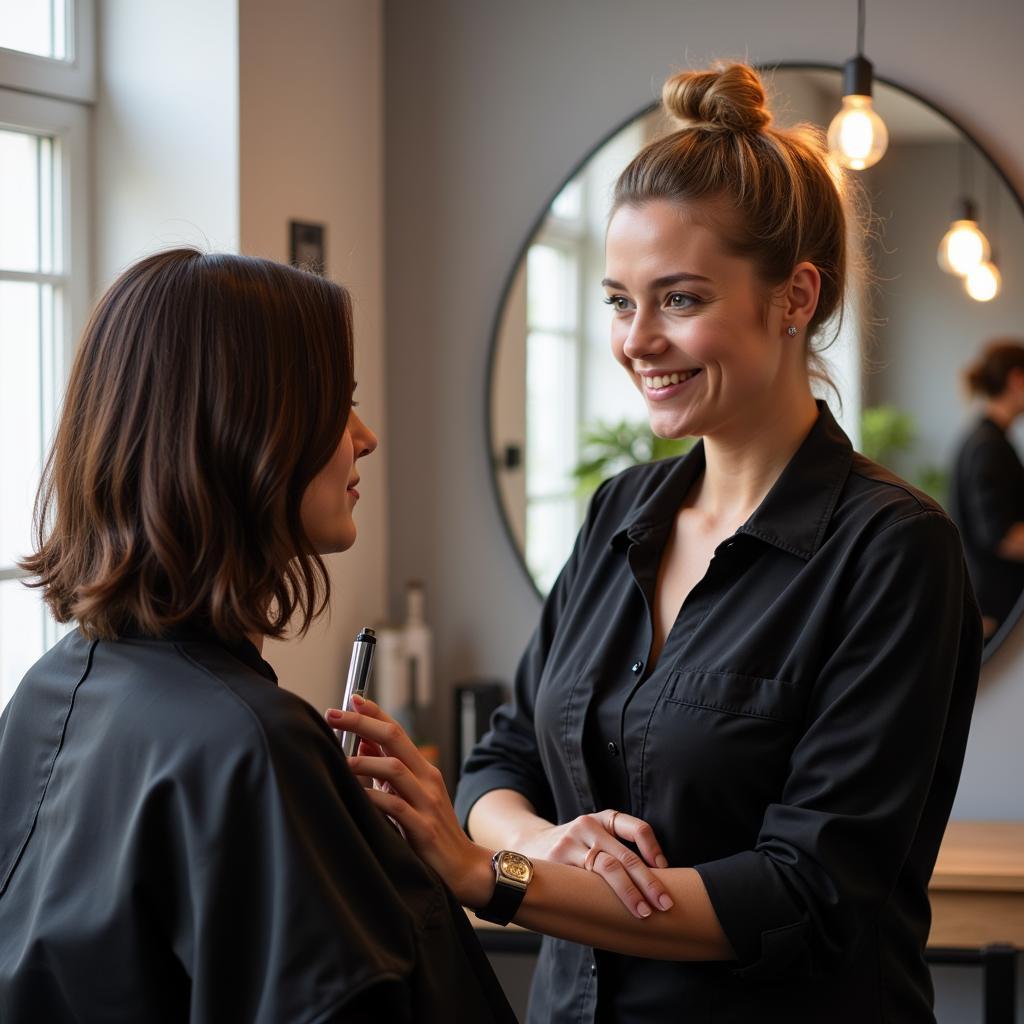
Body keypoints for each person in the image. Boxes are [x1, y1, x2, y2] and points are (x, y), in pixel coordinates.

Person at [328, 63, 983, 1023]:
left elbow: (803, 887)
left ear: (795, 296)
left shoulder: (894, 554)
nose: (636, 341)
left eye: (678, 299)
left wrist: (490, 874)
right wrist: (544, 845)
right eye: (617, 301)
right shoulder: (619, 514)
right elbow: (504, 758)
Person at [0, 250, 516, 1023]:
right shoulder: (252, 747)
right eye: (336, 405)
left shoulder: (48, 689)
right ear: (242, 430)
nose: (365, 437)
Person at [950, 339, 1024, 639]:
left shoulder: (993, 441)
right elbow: (1000, 535)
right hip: (995, 608)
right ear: (1017, 380)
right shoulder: (988, 446)